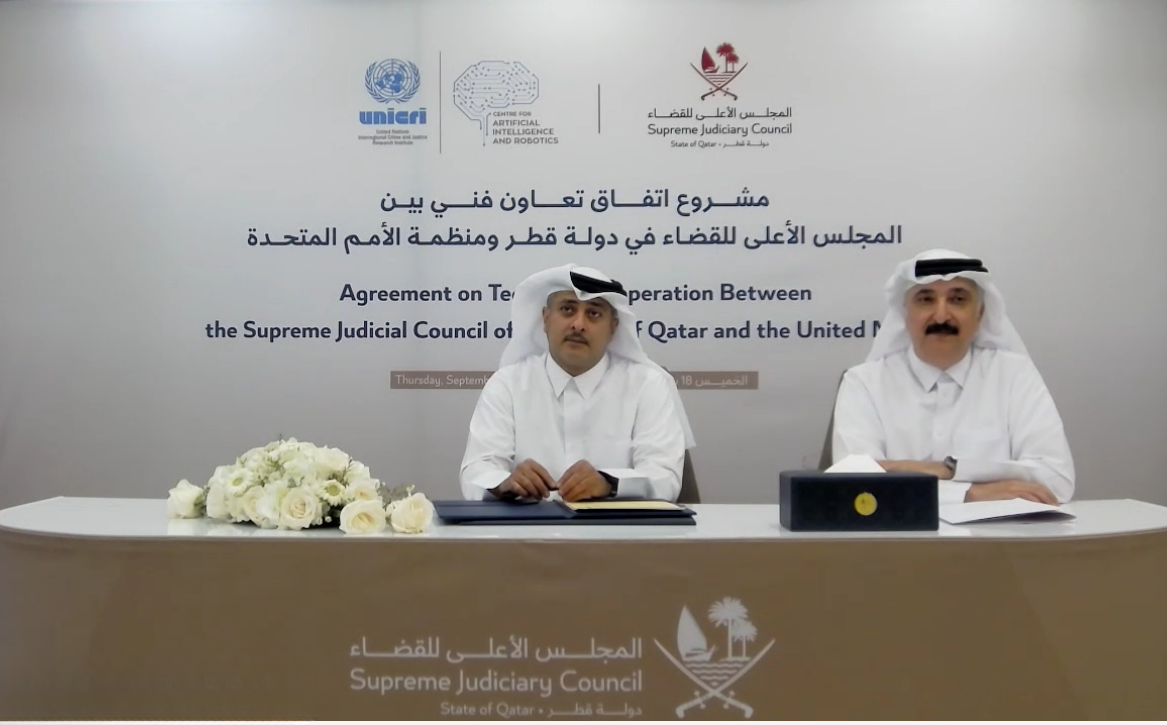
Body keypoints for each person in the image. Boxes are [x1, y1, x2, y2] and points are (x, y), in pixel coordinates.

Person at [831, 248, 1075, 505]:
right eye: (926, 299)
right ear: (905, 313)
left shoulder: (1014, 375)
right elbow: (854, 485)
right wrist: (970, 493)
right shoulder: (863, 383)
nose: (941, 316)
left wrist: (947, 469)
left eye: (957, 299)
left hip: (1002, 532)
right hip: (901, 532)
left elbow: (1057, 480)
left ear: (980, 313)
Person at [460, 264, 695, 502]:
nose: (578, 324)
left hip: (618, 526)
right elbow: (476, 470)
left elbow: (664, 478)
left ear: (613, 328)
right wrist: (503, 483)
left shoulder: (647, 385)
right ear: (545, 318)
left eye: (594, 313)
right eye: (567, 309)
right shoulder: (507, 384)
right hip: (527, 525)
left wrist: (609, 483)